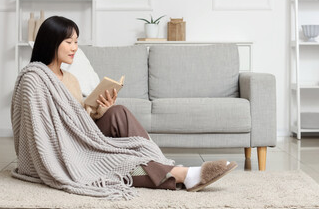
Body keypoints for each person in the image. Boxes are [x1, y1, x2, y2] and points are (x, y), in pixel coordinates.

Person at [21, 15, 237, 195]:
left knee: (118, 112)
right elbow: (44, 128)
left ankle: (162, 164)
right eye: (69, 42)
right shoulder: (35, 77)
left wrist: (100, 112)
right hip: (63, 145)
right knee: (114, 163)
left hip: (81, 134)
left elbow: (80, 119)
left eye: (76, 42)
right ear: (51, 42)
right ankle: (180, 174)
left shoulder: (70, 79)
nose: (74, 48)